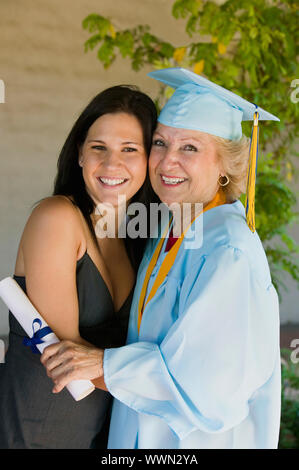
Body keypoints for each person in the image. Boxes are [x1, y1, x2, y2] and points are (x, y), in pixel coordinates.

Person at [41, 68, 281, 449]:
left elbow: (210, 385)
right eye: (159, 143)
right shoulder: (171, 228)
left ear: (224, 166)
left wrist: (104, 364)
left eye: (190, 148)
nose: (167, 162)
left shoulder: (228, 251)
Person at [0, 85, 158, 449]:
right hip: (34, 430)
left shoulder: (140, 241)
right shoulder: (57, 218)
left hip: (99, 435)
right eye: (98, 148)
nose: (111, 164)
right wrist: (167, 384)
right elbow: (71, 360)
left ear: (150, 159)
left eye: (129, 150)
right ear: (79, 155)